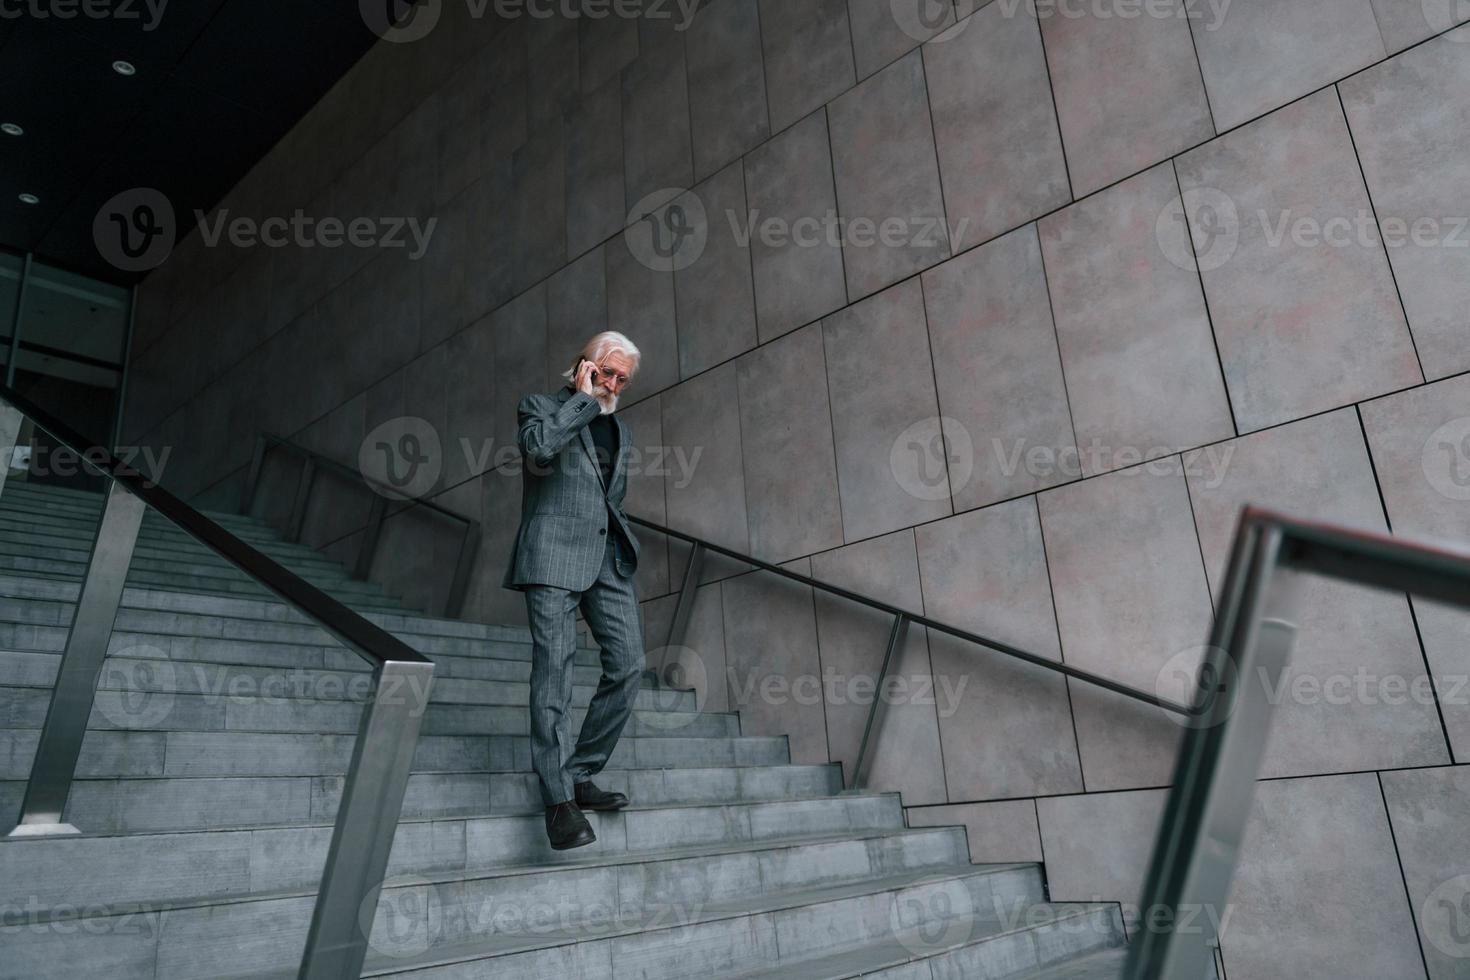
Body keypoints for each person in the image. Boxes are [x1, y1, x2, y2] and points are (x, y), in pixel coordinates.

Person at [501, 331, 645, 850]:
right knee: (555, 670)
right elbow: (539, 450)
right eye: (605, 371)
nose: (612, 383)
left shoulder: (621, 432)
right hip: (553, 556)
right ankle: (559, 800)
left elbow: (613, 498)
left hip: (606, 561)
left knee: (630, 663)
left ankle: (581, 771)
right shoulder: (540, 408)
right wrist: (583, 402)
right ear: (583, 364)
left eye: (621, 379)